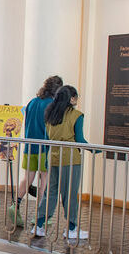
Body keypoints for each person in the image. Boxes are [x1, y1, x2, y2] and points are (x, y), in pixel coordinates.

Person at [33, 85, 91, 240]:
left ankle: (38, 225)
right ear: (71, 98)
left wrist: (46, 159)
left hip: (52, 157)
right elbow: (80, 140)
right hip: (70, 159)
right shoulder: (77, 115)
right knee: (70, 194)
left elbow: (46, 140)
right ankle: (72, 228)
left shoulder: (50, 115)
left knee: (50, 193)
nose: (77, 99)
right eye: (76, 96)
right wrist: (95, 149)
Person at [9, 75, 63, 227]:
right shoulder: (52, 104)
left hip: (29, 146)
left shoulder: (32, 102)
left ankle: (15, 205)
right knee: (44, 180)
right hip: (44, 148)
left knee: (27, 179)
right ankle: (41, 216)